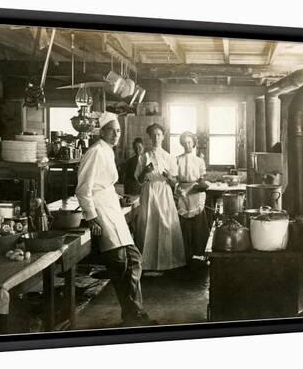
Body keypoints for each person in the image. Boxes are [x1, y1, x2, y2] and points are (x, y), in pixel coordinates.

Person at [76, 112, 155, 327]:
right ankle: (133, 314)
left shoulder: (108, 151)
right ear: (102, 131)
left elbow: (105, 185)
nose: (116, 134)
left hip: (112, 208)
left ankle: (134, 312)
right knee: (120, 262)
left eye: (118, 131)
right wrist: (91, 218)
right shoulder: (95, 152)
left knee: (134, 259)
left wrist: (119, 198)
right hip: (101, 211)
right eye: (111, 130)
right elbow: (83, 189)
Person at [135, 123, 185, 273]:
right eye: (153, 135)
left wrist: (169, 176)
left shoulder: (169, 157)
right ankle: (147, 263)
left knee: (165, 224)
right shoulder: (144, 156)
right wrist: (145, 171)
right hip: (149, 191)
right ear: (149, 137)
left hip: (164, 191)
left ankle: (167, 263)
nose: (156, 137)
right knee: (148, 224)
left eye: (159, 134)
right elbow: (138, 179)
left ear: (163, 137)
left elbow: (174, 181)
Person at [176, 131, 210, 265]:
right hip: (183, 191)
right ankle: (185, 254)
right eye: (184, 143)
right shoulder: (177, 159)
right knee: (183, 223)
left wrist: (201, 185)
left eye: (189, 142)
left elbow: (202, 178)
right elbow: (175, 178)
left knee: (198, 222)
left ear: (194, 143)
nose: (187, 145)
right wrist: (179, 188)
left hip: (195, 192)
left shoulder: (199, 160)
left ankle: (201, 253)